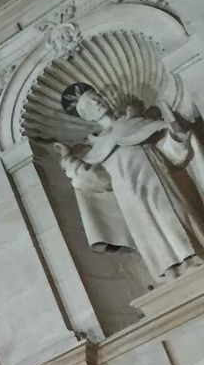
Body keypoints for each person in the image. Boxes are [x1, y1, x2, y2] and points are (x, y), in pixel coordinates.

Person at [56, 82, 204, 281]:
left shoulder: (137, 123)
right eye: (89, 104)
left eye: (96, 97)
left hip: (161, 179)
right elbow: (97, 182)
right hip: (132, 196)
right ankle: (174, 270)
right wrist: (69, 161)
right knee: (152, 228)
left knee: (178, 214)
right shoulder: (96, 149)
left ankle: (196, 255)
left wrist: (177, 135)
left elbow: (173, 154)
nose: (96, 102)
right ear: (85, 115)